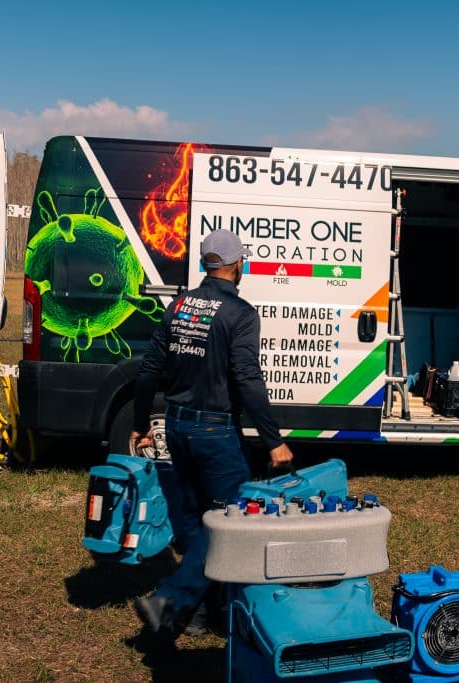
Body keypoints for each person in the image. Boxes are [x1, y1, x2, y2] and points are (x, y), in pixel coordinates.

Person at [130, 229, 293, 646]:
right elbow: (246, 377)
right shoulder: (240, 312)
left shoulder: (180, 305)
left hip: (178, 426)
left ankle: (201, 615)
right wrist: (273, 439)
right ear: (238, 265)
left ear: (205, 263)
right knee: (224, 528)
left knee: (196, 524)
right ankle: (167, 602)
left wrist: (139, 422)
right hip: (214, 433)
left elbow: (149, 369)